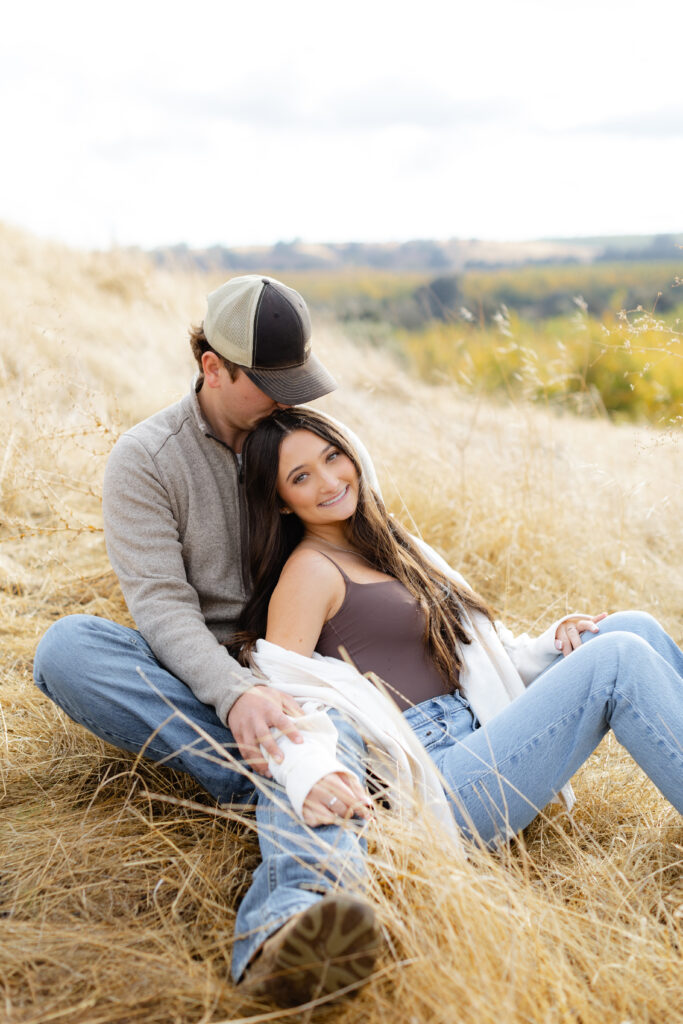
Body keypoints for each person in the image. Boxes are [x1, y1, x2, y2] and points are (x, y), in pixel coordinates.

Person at [227, 406, 683, 1000]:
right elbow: (286, 693)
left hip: (478, 735)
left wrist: (552, 643)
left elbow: (466, 654)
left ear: (351, 452)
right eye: (301, 476)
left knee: (628, 627)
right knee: (618, 658)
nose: (329, 480)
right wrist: (311, 769)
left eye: (331, 457)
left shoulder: (390, 545)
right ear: (283, 501)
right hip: (440, 780)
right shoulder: (308, 572)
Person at [32, 276, 383, 1004]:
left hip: (299, 669)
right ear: (212, 367)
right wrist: (233, 695)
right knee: (67, 650)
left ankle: (285, 921)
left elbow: (374, 549)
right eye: (269, 383)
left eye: (296, 381)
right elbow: (161, 609)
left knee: (308, 724)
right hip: (197, 675)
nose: (289, 400)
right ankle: (276, 771)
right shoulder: (146, 460)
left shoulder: (300, 443)